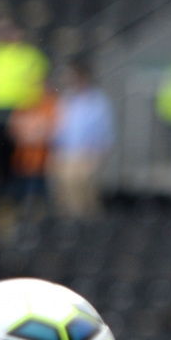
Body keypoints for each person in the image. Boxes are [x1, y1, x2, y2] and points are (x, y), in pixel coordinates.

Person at [0, 20, 48, 192]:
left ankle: (23, 194)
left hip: (21, 111)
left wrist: (30, 106)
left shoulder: (29, 54)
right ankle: (3, 193)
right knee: (0, 157)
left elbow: (39, 81)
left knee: (23, 157)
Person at [49, 61, 113, 220]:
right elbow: (58, 128)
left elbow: (105, 131)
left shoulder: (97, 101)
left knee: (85, 195)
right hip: (65, 154)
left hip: (87, 154)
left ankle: (88, 226)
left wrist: (98, 154)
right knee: (64, 194)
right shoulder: (65, 100)